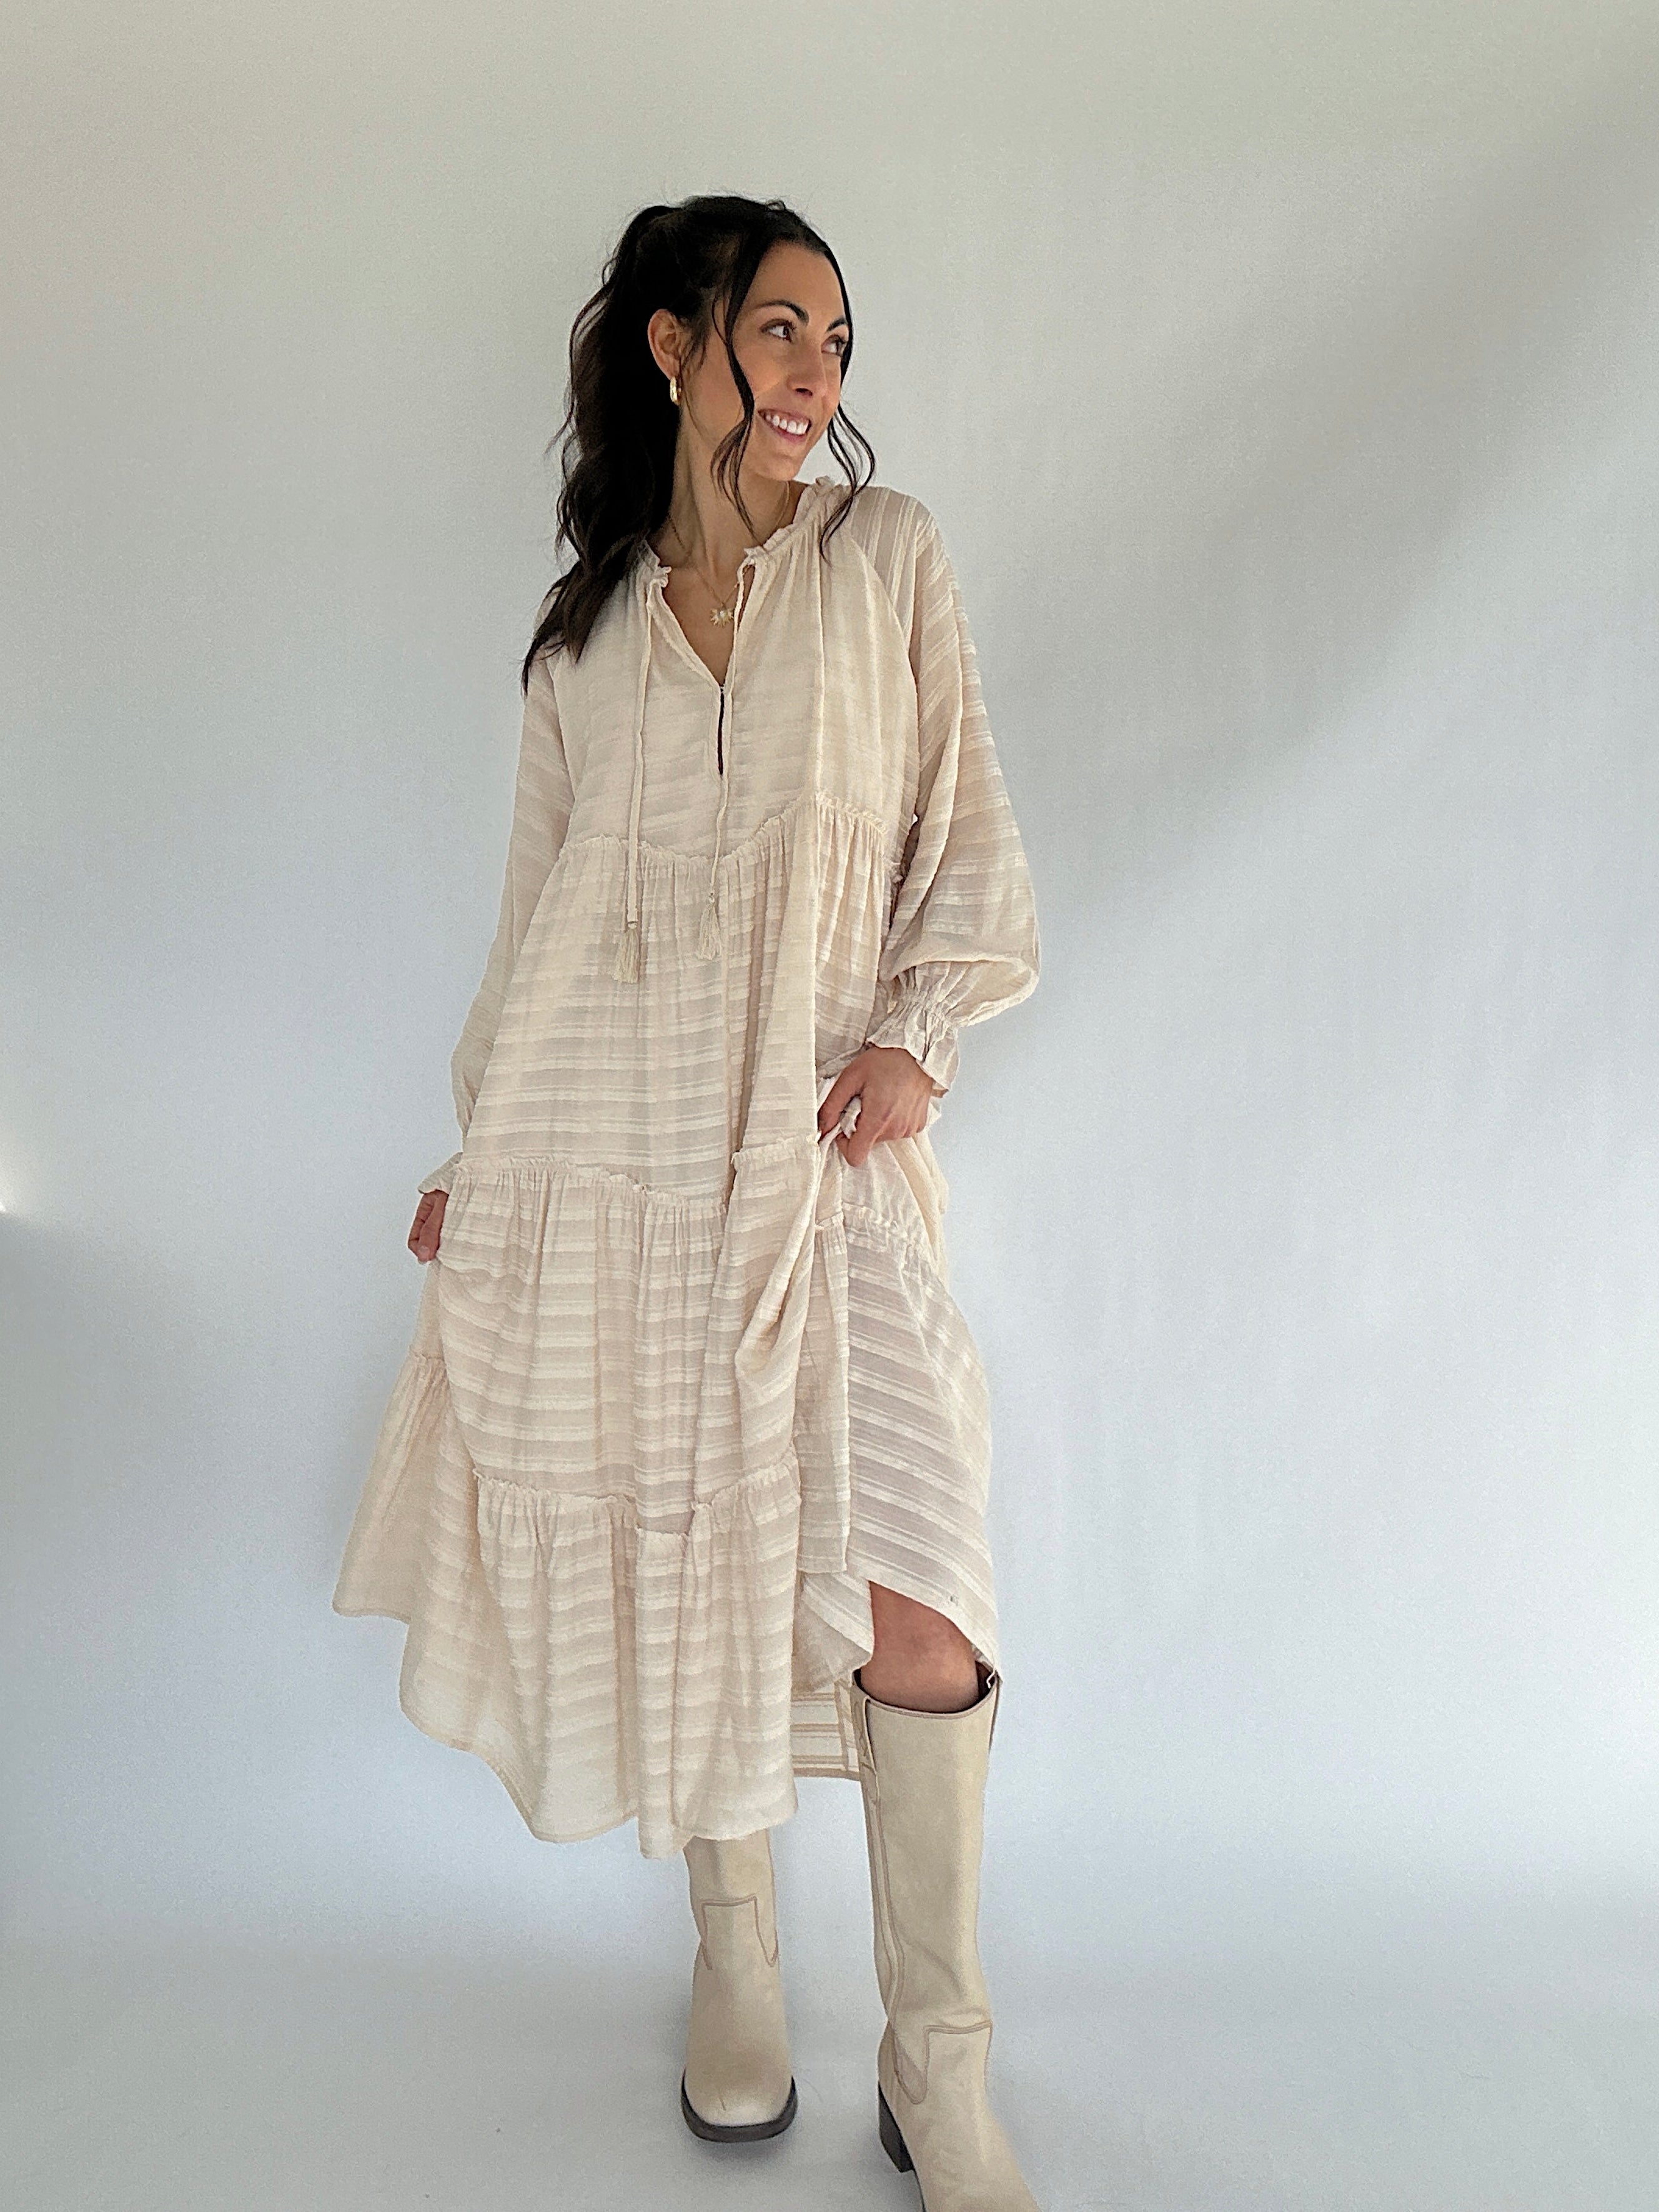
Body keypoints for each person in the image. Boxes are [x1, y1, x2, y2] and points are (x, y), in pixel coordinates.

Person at [332, 193, 1042, 2210]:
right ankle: (737, 1963)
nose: (821, 372)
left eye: (841, 340)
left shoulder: (887, 564)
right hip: (628, 1176)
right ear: (678, 344)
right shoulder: (586, 649)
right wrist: (488, 1163)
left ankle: (942, 2060)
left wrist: (927, 1031)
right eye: (783, 329)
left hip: (829, 1168)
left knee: (919, 1597)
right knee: (707, 1570)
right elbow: (536, 938)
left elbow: (972, 843)